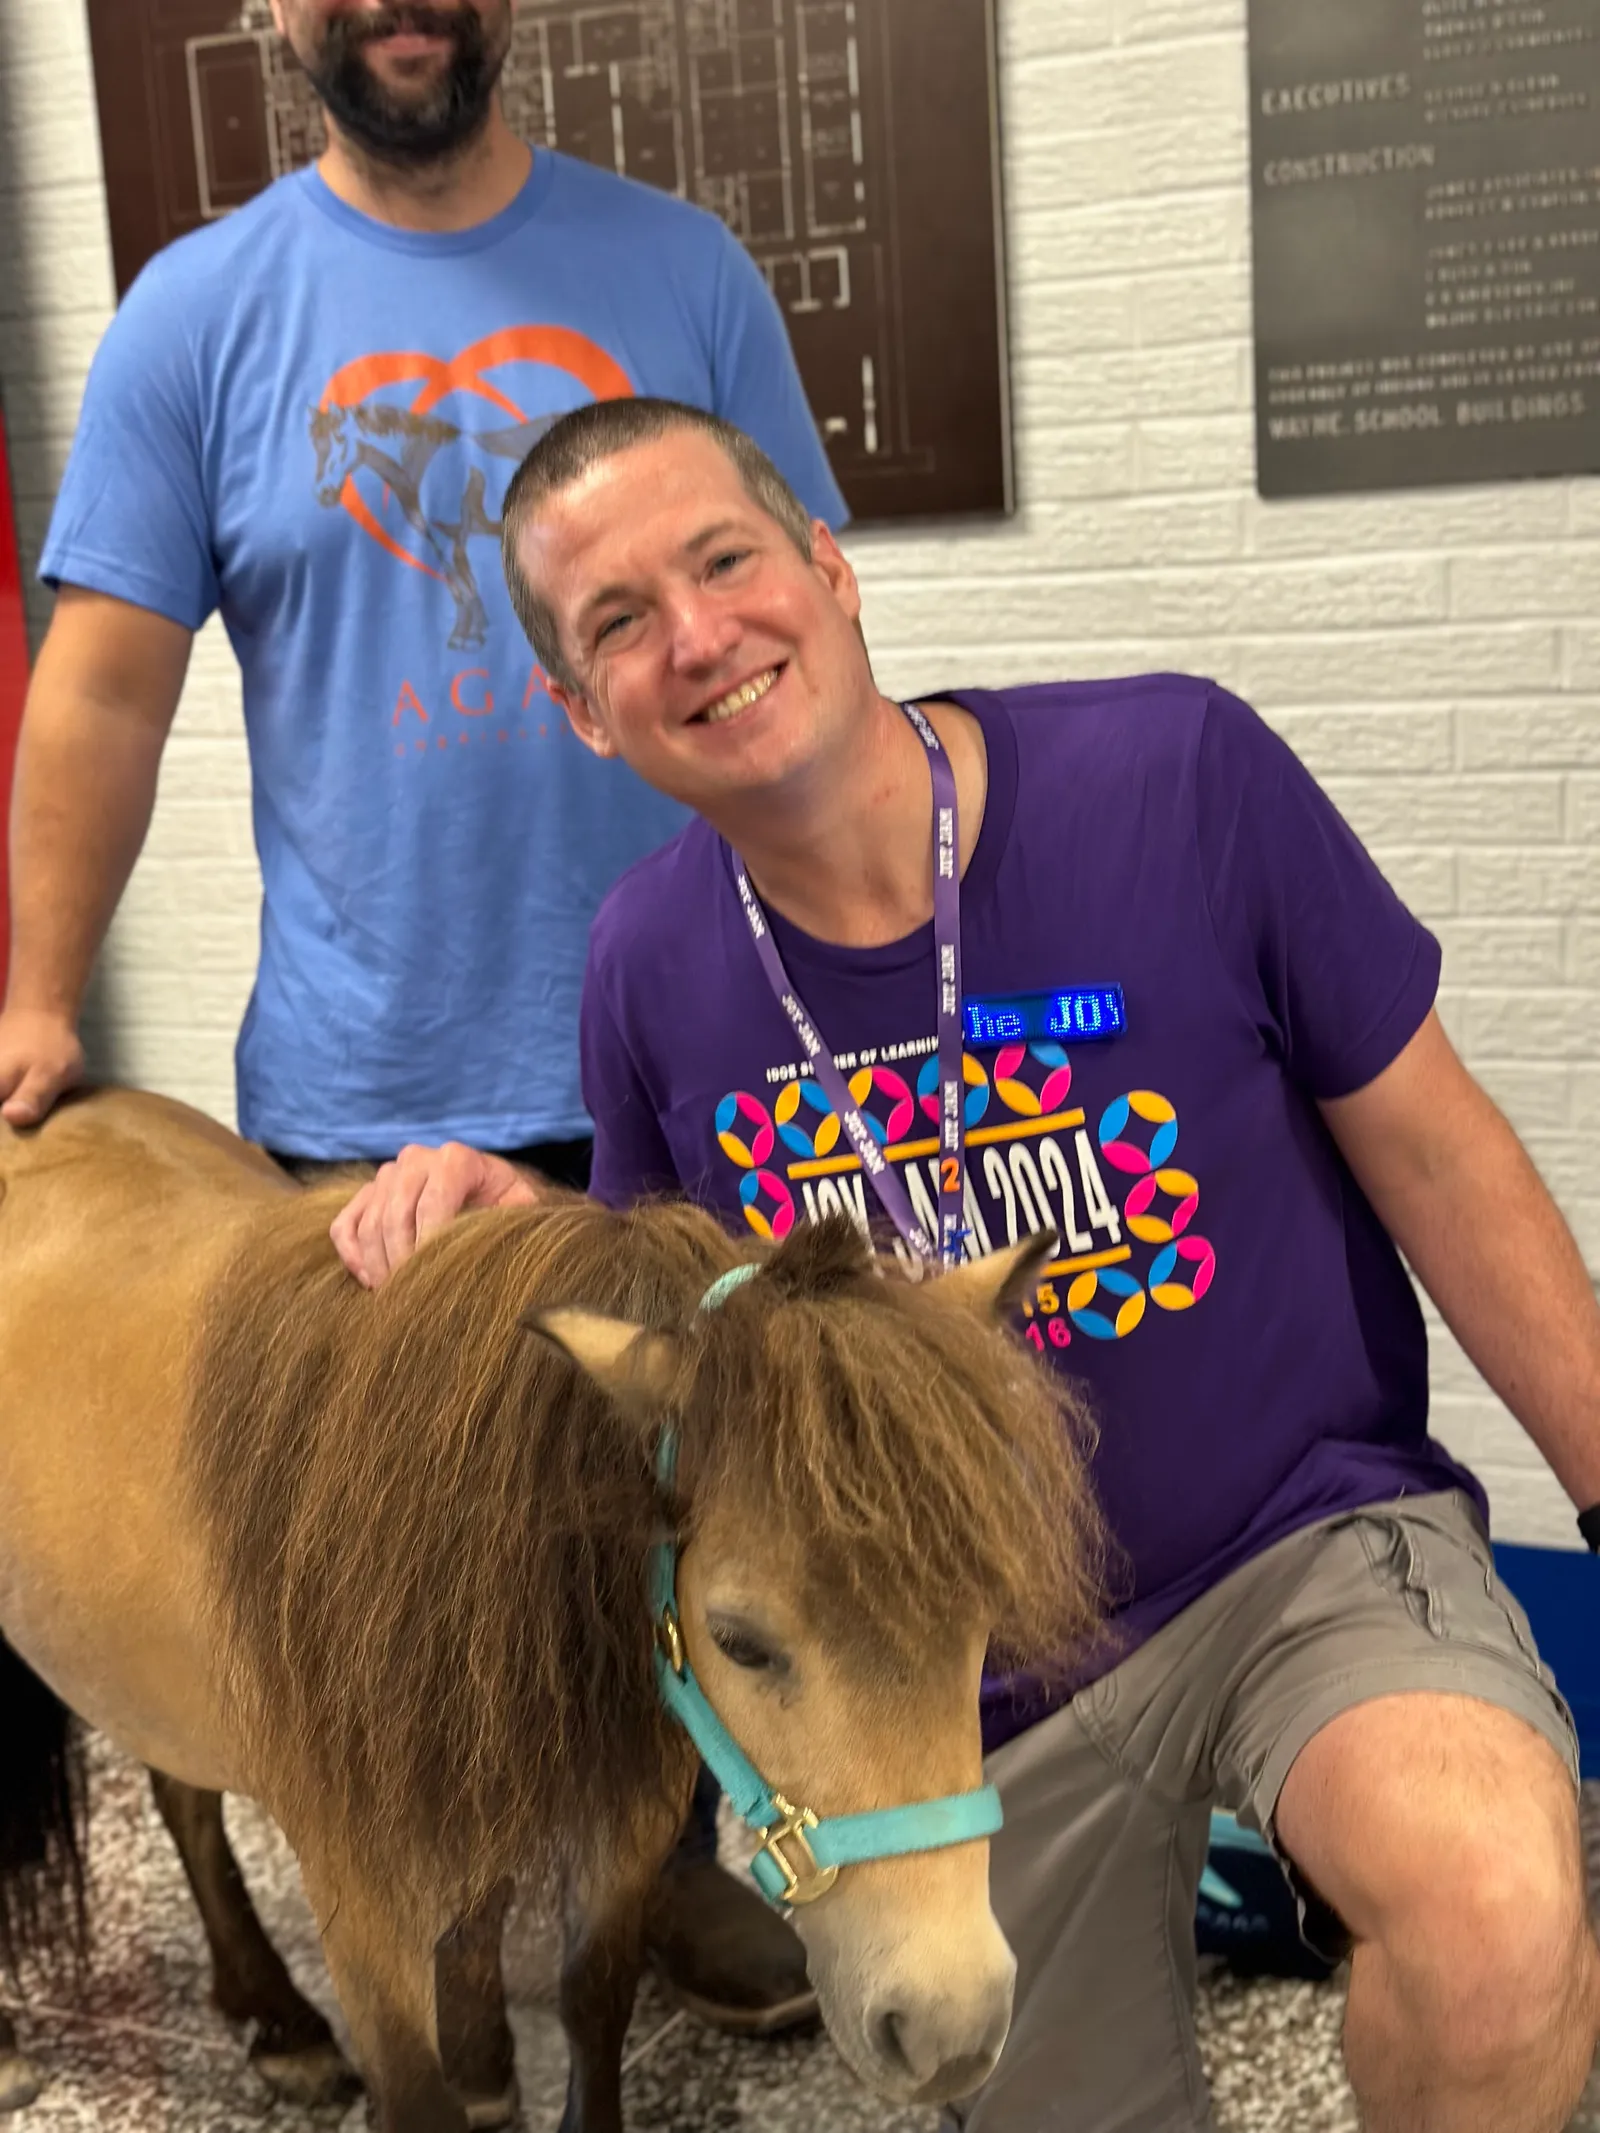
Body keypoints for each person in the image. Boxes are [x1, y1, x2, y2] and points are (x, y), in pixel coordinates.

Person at [334, 397, 1600, 2133]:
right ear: (580, 712)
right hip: (942, 1681)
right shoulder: (646, 965)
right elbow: (687, 1336)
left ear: (828, 571)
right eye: (618, 624)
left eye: (725, 562)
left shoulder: (1180, 777)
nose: (697, 636)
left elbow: (1444, 1154)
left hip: (1289, 1543)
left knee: (1495, 1921)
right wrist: (520, 1227)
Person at [2, 2, 842, 2033]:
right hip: (362, 1105)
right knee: (416, 1613)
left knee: (690, 1529)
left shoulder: (683, 274)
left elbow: (799, 616)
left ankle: (665, 1874)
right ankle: (441, 1927)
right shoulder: (198, 318)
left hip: (687, 1068)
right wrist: (32, 990)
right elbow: (104, 689)